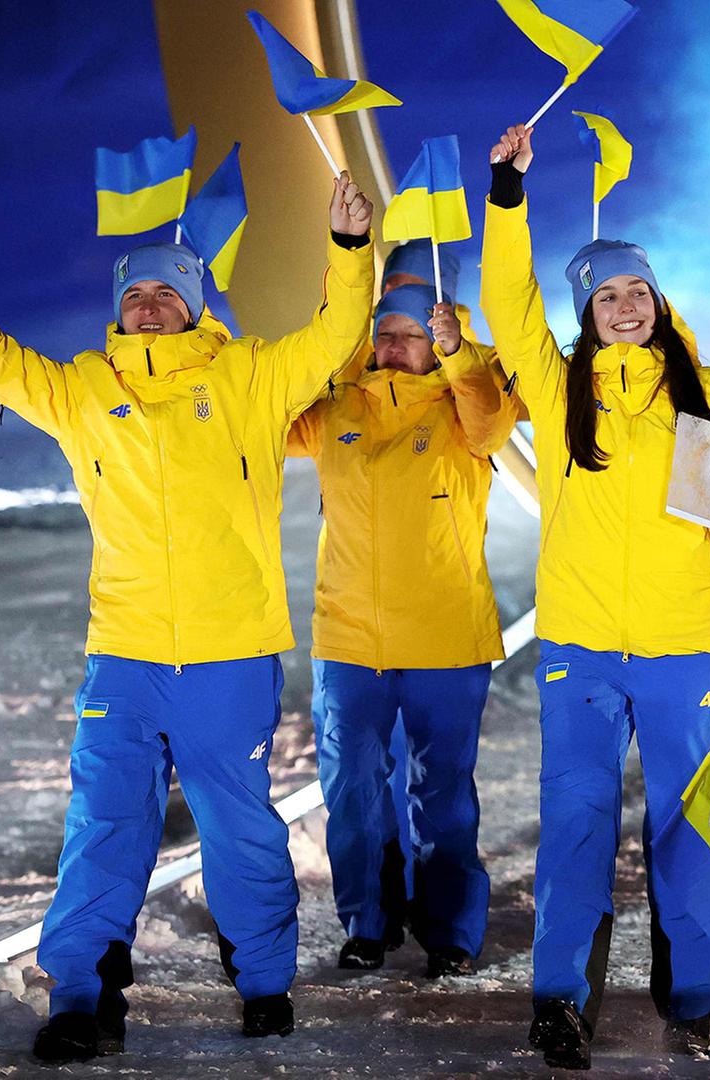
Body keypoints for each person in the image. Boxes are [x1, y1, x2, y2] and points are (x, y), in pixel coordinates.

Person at [0, 173, 376, 1061]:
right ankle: (82, 994)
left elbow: (336, 333)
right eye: (135, 295)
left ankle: (264, 982)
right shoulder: (83, 389)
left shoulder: (251, 377)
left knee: (239, 828)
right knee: (105, 823)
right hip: (124, 653)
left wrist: (349, 250)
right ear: (119, 309)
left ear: (194, 304)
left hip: (230, 654)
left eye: (165, 292)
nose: (149, 306)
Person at [479, 123, 710, 1067]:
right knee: (574, 827)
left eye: (636, 292)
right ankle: (560, 1001)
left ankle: (689, 996)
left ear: (658, 302)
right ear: (585, 310)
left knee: (687, 833)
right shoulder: (556, 388)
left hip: (689, 646)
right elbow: (505, 301)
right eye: (604, 295)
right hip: (580, 648)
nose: (622, 306)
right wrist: (507, 196)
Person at [288, 282, 518, 977]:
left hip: (445, 637)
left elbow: (493, 425)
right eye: (384, 333)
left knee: (443, 792)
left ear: (438, 340)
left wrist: (459, 353)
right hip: (349, 638)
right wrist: (342, 340)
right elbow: (262, 417)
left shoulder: (465, 407)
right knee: (353, 790)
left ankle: (449, 933)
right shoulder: (337, 409)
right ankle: (369, 923)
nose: (394, 345)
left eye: (412, 334)